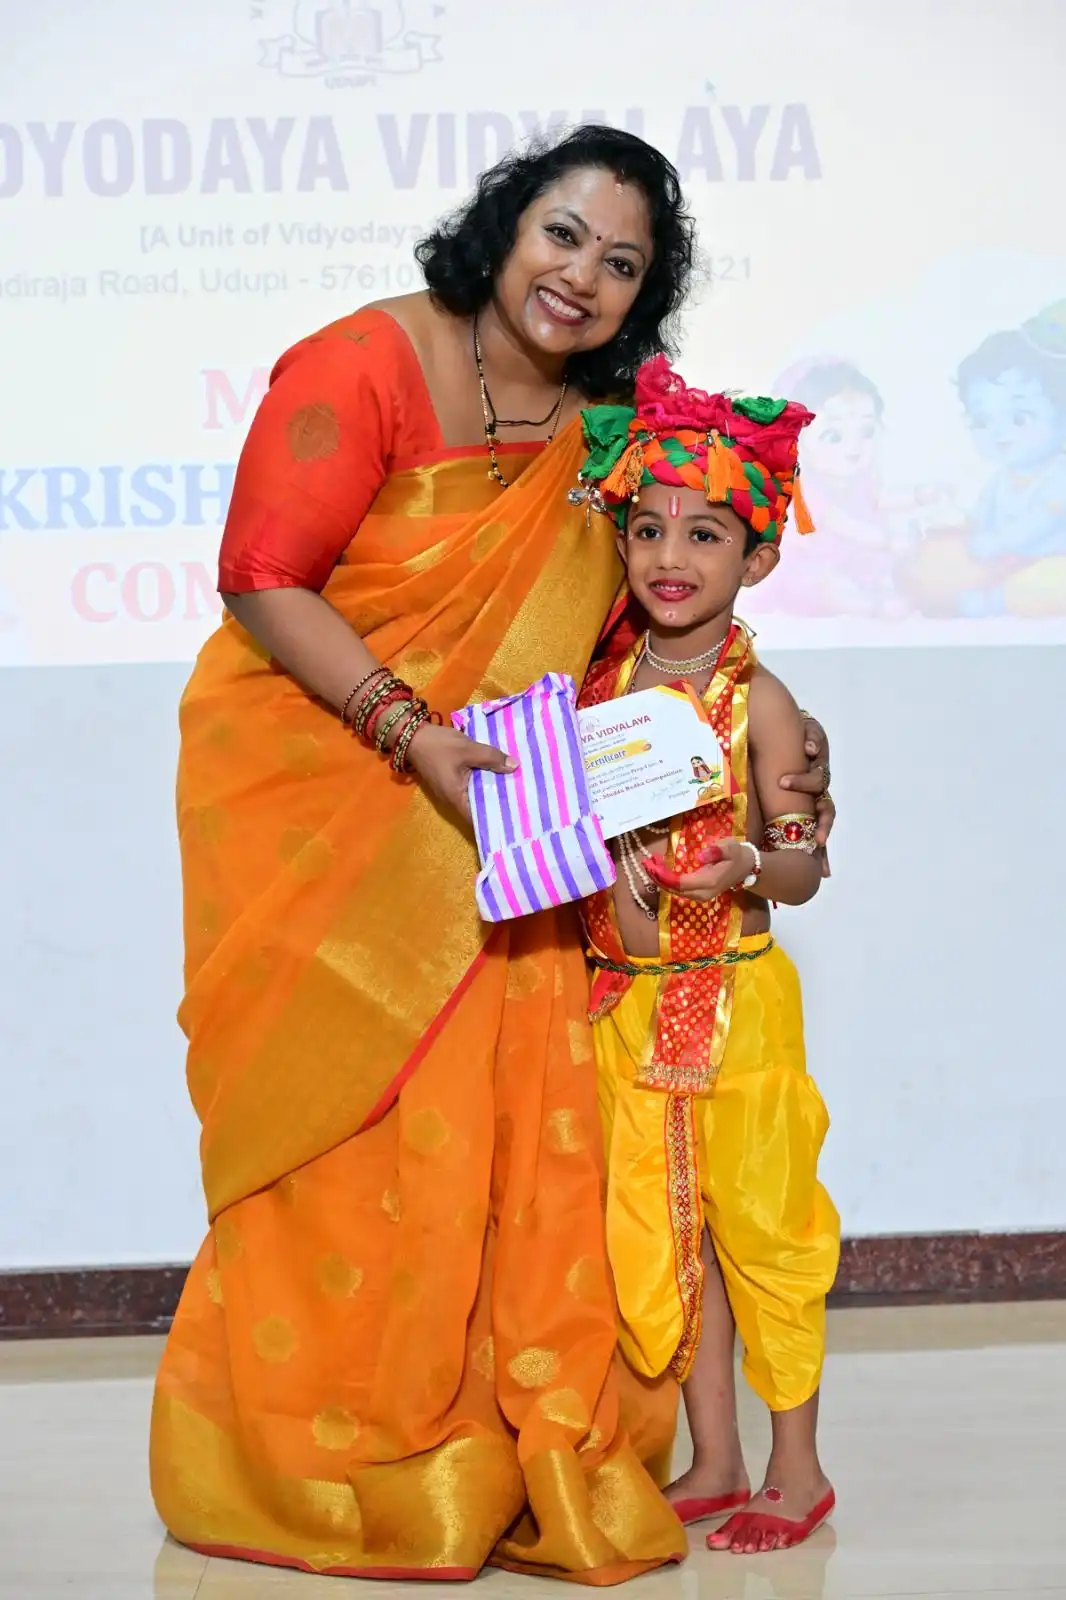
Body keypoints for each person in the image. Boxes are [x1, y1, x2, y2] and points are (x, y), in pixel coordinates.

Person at [149, 125, 836, 1583]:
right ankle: (332, 1445)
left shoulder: (607, 423)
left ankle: (511, 1420)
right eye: (561, 235)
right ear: (503, 226)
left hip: (518, 839)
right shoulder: (366, 364)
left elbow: (635, 621)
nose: (582, 276)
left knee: (523, 1133)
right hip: (338, 794)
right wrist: (410, 734)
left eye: (622, 263)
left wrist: (757, 737)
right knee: (356, 1130)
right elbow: (259, 576)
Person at [575, 356, 839, 1556]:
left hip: (733, 1002)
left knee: (765, 1232)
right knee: (664, 1239)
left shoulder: (766, 705)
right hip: (626, 1003)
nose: (670, 555)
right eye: (645, 528)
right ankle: (713, 1457)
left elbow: (800, 868)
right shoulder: (603, 686)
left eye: (705, 531)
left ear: (758, 556)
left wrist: (747, 864)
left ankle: (795, 1470)